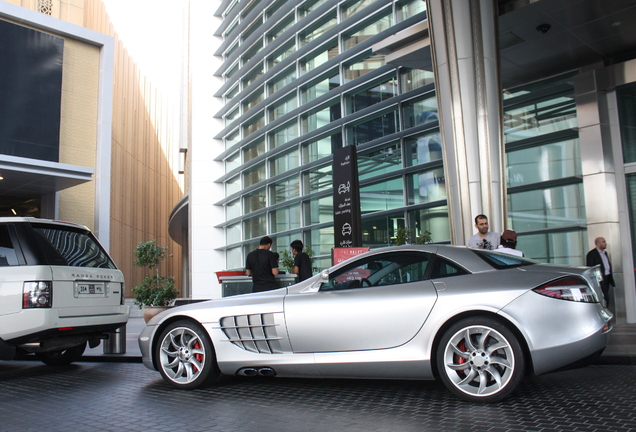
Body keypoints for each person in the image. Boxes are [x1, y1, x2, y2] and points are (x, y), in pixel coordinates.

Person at [586, 237, 614, 307]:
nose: (605, 243)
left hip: (607, 279)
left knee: (606, 297)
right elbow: (590, 268)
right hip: (599, 280)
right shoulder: (592, 254)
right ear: (598, 244)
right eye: (603, 242)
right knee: (604, 298)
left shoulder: (605, 253)